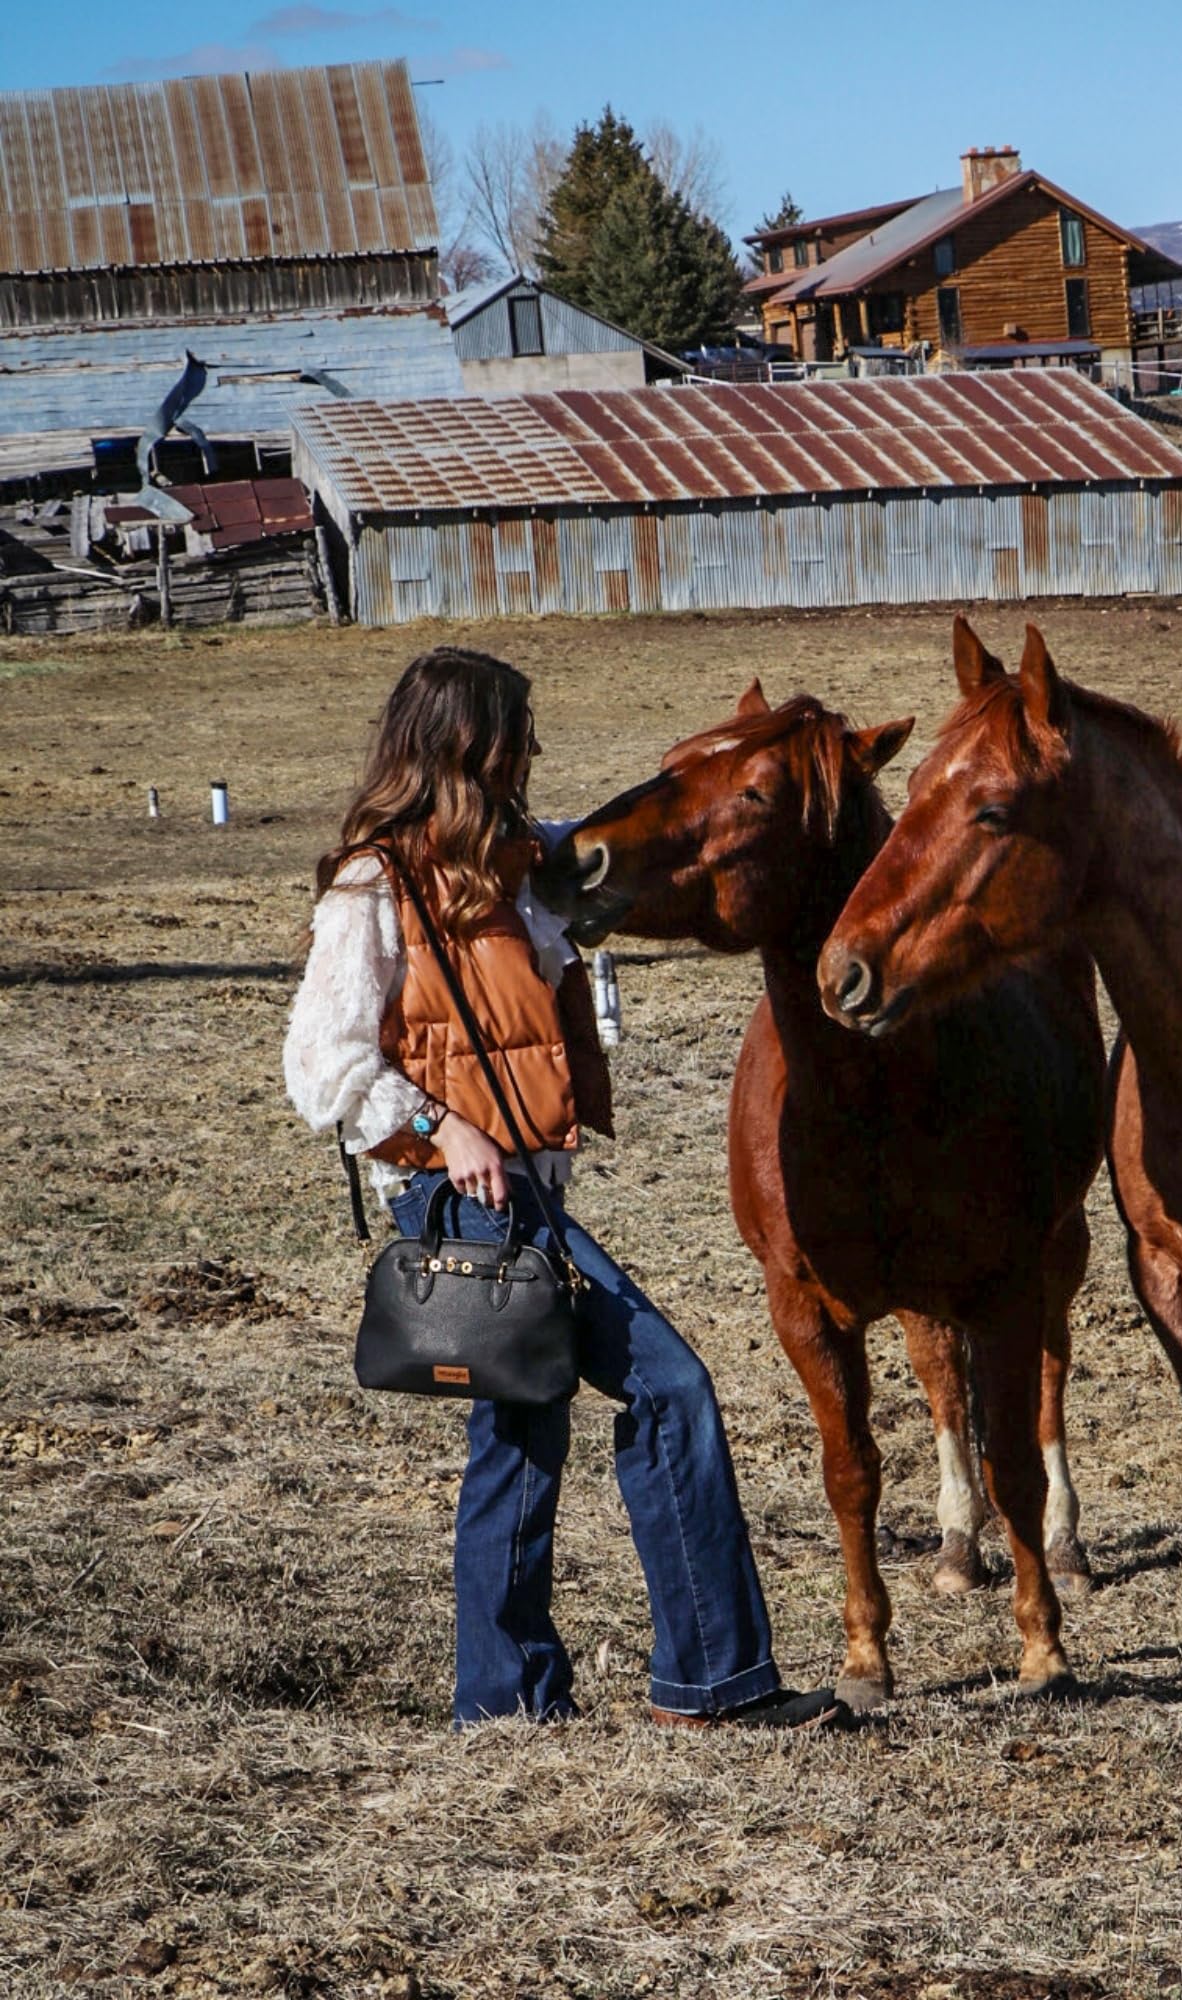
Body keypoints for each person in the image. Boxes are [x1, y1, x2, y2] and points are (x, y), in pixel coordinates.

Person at [283, 645, 846, 1732]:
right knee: (668, 1387)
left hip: (524, 1193)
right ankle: (707, 1682)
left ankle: (510, 1700)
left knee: (522, 1437)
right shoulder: (375, 884)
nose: (532, 751)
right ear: (466, 744)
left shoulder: (505, 866)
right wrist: (444, 1129)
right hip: (466, 1200)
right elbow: (322, 1061)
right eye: (516, 732)